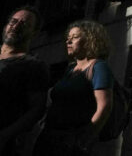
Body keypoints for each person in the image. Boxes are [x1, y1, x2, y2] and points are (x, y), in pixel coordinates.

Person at [34, 20, 114, 156]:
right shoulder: (71, 69)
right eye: (68, 38)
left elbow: (105, 107)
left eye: (75, 37)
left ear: (90, 40)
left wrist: (83, 140)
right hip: (48, 136)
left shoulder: (99, 67)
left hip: (68, 142)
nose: (68, 42)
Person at [0, 6, 49, 155]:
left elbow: (37, 109)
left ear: (34, 33)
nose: (15, 26)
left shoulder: (34, 66)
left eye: (24, 24)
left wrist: (4, 135)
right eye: (13, 21)